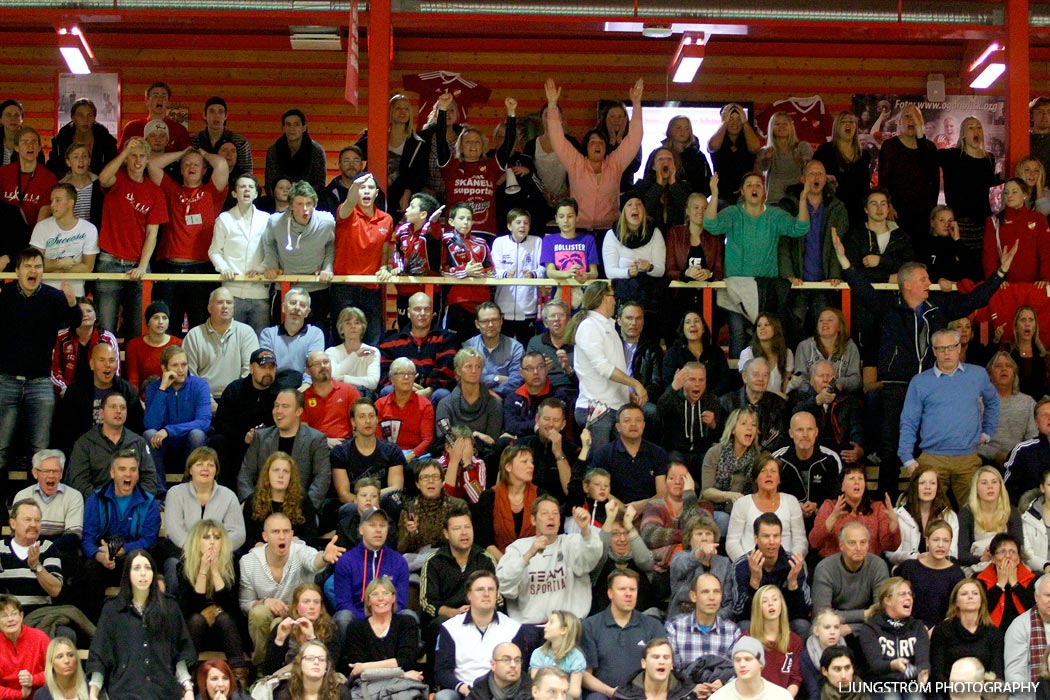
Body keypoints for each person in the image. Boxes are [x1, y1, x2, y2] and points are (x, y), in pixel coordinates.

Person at [705, 171, 812, 357]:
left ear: (764, 192)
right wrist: (714, 195)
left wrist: (803, 201)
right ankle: (739, 383)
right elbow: (711, 225)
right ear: (742, 192)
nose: (754, 188)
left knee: (767, 338)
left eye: (758, 185)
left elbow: (799, 228)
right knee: (737, 333)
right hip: (736, 288)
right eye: (749, 185)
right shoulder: (733, 212)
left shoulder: (775, 215)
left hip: (765, 289)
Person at [0, 249, 79, 480]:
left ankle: (38, 508)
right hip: (6, 381)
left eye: (38, 266)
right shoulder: (4, 296)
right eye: (28, 266)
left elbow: (74, 323)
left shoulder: (53, 297)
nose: (33, 271)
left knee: (39, 451)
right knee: (1, 448)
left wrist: (73, 303)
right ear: (17, 271)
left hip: (40, 383)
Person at [86, 551, 195, 700]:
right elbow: (100, 654)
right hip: (124, 691)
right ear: (128, 574)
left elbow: (181, 649)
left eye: (147, 568)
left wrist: (188, 687)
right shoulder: (112, 610)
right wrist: (93, 694)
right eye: (136, 568)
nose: (143, 573)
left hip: (164, 692)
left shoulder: (170, 607)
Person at [238, 512, 344, 666]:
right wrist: (265, 602)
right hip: (265, 613)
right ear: (265, 536)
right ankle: (262, 667)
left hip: (298, 613)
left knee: (278, 624)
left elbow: (313, 562)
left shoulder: (300, 550)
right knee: (259, 613)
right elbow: (245, 603)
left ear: (292, 534)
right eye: (276, 532)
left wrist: (324, 558)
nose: (282, 537)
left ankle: (290, 666)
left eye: (286, 531)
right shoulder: (249, 562)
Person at [543, 79, 645, 232]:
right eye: (593, 142)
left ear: (606, 148)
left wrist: (637, 106)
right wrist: (552, 106)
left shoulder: (615, 163)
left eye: (601, 143)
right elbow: (557, 139)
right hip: (579, 229)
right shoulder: (576, 163)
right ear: (586, 147)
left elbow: (635, 138)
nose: (597, 145)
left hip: (609, 230)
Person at [148, 147, 230, 333]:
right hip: (170, 269)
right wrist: (181, 152)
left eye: (196, 165)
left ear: (204, 170)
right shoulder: (171, 190)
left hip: (201, 270)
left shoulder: (212, 192)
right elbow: (152, 164)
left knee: (201, 329)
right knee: (168, 328)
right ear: (180, 169)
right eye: (186, 164)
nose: (191, 167)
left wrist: (203, 153)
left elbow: (222, 164)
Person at [95, 138, 166, 340]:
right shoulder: (118, 179)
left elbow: (153, 233)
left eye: (142, 156)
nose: (137, 161)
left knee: (138, 326)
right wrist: (125, 152)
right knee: (106, 327)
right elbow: (102, 179)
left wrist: (143, 266)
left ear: (147, 159)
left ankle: (133, 371)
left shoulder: (155, 191)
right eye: (133, 156)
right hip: (109, 259)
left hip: (138, 263)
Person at [79, 451, 161, 621]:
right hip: (102, 559)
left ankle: (140, 622)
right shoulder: (96, 499)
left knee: (139, 562)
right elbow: (87, 539)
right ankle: (91, 629)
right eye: (122, 469)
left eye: (133, 469)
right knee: (89, 568)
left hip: (132, 556)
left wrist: (121, 550)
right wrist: (99, 555)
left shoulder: (149, 502)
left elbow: (149, 539)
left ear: (138, 474)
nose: (128, 474)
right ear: (112, 472)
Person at [497, 497, 604, 623]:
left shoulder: (572, 542)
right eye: (544, 513)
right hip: (530, 629)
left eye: (555, 513)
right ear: (533, 520)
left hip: (569, 626)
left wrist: (585, 529)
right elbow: (504, 585)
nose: (551, 517)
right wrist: (529, 554)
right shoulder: (518, 547)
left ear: (560, 520)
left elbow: (593, 556)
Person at [568, 282, 647, 447]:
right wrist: (634, 383)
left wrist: (626, 394)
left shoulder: (608, 327)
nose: (615, 301)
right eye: (612, 297)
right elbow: (603, 367)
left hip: (613, 406)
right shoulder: (589, 326)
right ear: (604, 298)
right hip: (597, 408)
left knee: (615, 464)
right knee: (598, 466)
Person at [434, 571, 525, 700]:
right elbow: (442, 671)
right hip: (464, 691)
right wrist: (463, 688)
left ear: (497, 594)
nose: (486, 594)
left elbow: (520, 667)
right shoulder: (450, 628)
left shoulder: (513, 628)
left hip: (502, 691)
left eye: (491, 589)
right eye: (480, 589)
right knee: (443, 697)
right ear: (469, 595)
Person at [176, 520, 247, 681]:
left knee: (224, 618)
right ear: (197, 541)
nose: (212, 542)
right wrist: (203, 570)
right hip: (196, 633)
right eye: (206, 537)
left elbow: (232, 608)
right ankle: (187, 680)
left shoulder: (232, 564)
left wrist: (214, 571)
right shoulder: (183, 566)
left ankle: (240, 680)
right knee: (196, 619)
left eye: (217, 537)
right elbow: (187, 609)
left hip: (226, 633)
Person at [238, 388, 331, 510]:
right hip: (263, 506)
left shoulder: (316, 440)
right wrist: (250, 502)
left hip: (300, 508)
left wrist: (306, 507)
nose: (278, 411)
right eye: (276, 406)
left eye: (285, 406)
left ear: (298, 411)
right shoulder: (260, 437)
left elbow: (322, 478)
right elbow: (245, 475)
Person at [261, 181, 335, 334]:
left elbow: (331, 244)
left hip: (317, 287)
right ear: (291, 205)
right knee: (282, 334)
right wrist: (272, 265)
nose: (305, 209)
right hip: (286, 286)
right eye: (300, 203)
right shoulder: (275, 221)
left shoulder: (326, 222)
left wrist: (327, 267)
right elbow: (268, 243)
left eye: (309, 203)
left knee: (317, 335)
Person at [331, 173, 392, 346]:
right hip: (344, 286)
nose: (366, 191)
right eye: (361, 187)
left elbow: (384, 250)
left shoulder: (386, 220)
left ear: (376, 193)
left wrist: (384, 268)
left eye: (370, 187)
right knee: (340, 340)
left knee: (373, 338)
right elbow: (349, 202)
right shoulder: (346, 212)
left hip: (371, 288)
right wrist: (354, 187)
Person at [331, 506, 409, 640]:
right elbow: (344, 602)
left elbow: (400, 602)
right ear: (361, 529)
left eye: (382, 525)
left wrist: (383, 617)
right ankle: (346, 660)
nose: (378, 530)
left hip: (389, 617)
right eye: (372, 525)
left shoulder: (399, 561)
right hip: (357, 618)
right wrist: (368, 621)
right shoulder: (346, 561)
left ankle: (403, 660)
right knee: (343, 617)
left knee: (409, 616)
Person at [52, 343, 142, 456]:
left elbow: (136, 430)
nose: (107, 365)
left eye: (111, 360)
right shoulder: (76, 391)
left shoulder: (127, 392)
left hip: (119, 452)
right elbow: (64, 430)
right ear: (92, 364)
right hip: (84, 451)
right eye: (102, 360)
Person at [208, 348, 279, 491]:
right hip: (237, 443)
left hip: (269, 443)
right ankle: (224, 492)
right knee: (218, 441)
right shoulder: (235, 389)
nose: (268, 372)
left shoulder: (280, 392)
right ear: (252, 368)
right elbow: (222, 423)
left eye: (271, 368)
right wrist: (243, 437)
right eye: (263, 367)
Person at [143, 346, 212, 490]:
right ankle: (160, 493)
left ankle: (188, 488)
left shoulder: (200, 386)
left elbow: (204, 422)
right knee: (149, 435)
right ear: (164, 368)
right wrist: (162, 388)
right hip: (164, 447)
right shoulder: (154, 388)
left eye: (184, 365)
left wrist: (169, 430)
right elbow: (150, 424)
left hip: (190, 445)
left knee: (197, 435)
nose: (181, 370)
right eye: (175, 365)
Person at [209, 174, 271, 334]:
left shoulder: (266, 219)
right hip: (232, 291)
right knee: (232, 339)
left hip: (259, 291)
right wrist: (224, 268)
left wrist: (261, 267)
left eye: (251, 187)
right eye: (242, 187)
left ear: (257, 193)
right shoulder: (224, 219)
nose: (247, 190)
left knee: (259, 342)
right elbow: (214, 251)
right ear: (234, 193)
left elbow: (272, 252)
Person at [731, 513, 811, 635]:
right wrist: (754, 581)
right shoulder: (741, 565)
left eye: (776, 536)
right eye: (766, 536)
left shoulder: (795, 563)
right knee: (744, 626)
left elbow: (803, 612)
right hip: (755, 621)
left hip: (785, 621)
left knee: (802, 625)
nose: (772, 542)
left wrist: (792, 584)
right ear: (756, 538)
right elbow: (739, 612)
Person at [877, 105, 939, 257]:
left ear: (922, 122)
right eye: (907, 116)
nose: (911, 120)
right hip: (897, 213)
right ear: (899, 122)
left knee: (920, 257)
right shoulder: (890, 146)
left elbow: (934, 182)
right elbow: (883, 180)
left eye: (915, 117)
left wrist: (933, 213)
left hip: (923, 216)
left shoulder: (929, 148)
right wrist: (888, 205)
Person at [67, 393, 158, 498]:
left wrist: (132, 500)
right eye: (113, 407)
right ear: (101, 413)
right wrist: (103, 501)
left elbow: (150, 480)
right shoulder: (84, 444)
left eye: (122, 408)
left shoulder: (138, 442)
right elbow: (79, 483)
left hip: (133, 506)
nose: (118, 411)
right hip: (98, 506)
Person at [940, 117, 999, 277]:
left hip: (983, 222)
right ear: (963, 134)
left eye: (978, 127)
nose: (976, 130)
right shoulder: (952, 156)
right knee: (962, 265)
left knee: (982, 265)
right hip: (961, 221)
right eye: (971, 127)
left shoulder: (989, 159)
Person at [811, 522, 890, 638]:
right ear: (841, 546)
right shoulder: (825, 568)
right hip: (832, 627)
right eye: (852, 543)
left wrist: (852, 628)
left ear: (868, 544)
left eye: (863, 542)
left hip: (868, 628)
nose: (858, 548)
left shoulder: (878, 566)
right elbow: (821, 615)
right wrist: (864, 614)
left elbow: (881, 613)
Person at [663, 195, 725, 343]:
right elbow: (669, 270)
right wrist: (686, 273)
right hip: (679, 297)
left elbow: (719, 271)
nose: (701, 211)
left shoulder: (715, 236)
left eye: (705, 208)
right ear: (688, 211)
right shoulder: (675, 233)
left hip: (708, 298)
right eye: (696, 207)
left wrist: (708, 273)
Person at [183, 288, 261, 406]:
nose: (225, 306)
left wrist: (235, 398)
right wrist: (207, 401)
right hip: (202, 399)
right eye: (220, 302)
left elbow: (250, 370)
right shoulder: (194, 335)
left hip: (238, 398)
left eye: (229, 303)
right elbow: (190, 374)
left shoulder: (246, 332)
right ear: (209, 308)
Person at [379, 292, 457, 405]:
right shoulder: (390, 343)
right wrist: (406, 385)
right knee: (387, 391)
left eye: (427, 309)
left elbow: (447, 370)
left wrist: (429, 389)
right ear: (409, 313)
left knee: (442, 394)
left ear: (433, 313)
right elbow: (385, 374)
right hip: (400, 390)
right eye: (417, 309)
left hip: (433, 392)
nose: (422, 313)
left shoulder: (446, 339)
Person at [725, 454, 808, 562]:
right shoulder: (742, 504)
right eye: (763, 471)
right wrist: (746, 564)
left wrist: (792, 561)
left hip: (786, 565)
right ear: (755, 478)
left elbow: (800, 541)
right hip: (750, 564)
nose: (768, 475)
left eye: (773, 471)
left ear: (779, 479)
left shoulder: (791, 502)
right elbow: (732, 542)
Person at [855, 577, 930, 695]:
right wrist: (893, 665)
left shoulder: (918, 627)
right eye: (902, 594)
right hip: (880, 683)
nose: (909, 598)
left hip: (909, 682)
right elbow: (875, 664)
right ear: (887, 600)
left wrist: (922, 673)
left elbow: (923, 661)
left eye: (910, 594)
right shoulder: (871, 628)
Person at [339, 577, 423, 682]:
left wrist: (366, 667)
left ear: (393, 598)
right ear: (368, 601)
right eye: (374, 594)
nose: (380, 598)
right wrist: (402, 674)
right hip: (368, 687)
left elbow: (406, 661)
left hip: (402, 686)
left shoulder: (407, 623)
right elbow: (357, 670)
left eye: (385, 593)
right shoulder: (356, 628)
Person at [164, 448, 246, 554]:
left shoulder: (229, 496)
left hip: (219, 554)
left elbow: (238, 533)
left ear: (216, 470)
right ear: (190, 470)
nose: (205, 468)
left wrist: (215, 548)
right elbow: (174, 529)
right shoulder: (175, 493)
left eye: (211, 465)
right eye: (199, 464)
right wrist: (194, 548)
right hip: (183, 552)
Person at [809, 464, 901, 558]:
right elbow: (814, 542)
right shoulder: (829, 506)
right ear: (842, 487)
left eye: (860, 478)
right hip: (835, 567)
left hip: (868, 565)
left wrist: (893, 525)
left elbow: (890, 546)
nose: (857, 482)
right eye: (851, 478)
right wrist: (833, 518)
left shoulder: (877, 508)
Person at [588, 405, 668, 509]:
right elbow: (598, 489)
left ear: (643, 425)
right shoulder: (603, 454)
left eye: (638, 420)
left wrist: (642, 507)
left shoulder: (658, 453)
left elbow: (662, 492)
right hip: (613, 511)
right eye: (627, 420)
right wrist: (624, 510)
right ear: (618, 427)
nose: (633, 424)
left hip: (650, 512)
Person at [603, 198, 666, 325]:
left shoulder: (655, 233)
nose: (635, 208)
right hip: (624, 294)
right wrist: (628, 272)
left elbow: (661, 270)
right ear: (623, 211)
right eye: (629, 205)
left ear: (644, 209)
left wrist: (649, 267)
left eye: (639, 204)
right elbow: (610, 272)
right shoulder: (611, 235)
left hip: (650, 294)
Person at [13, 451, 84, 564]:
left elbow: (73, 536)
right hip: (28, 546)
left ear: (61, 474)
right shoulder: (22, 495)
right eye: (46, 471)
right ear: (35, 473)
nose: (51, 476)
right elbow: (19, 533)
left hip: (61, 549)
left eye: (55, 471)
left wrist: (45, 551)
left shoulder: (74, 496)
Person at [30, 184, 98, 303]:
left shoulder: (89, 229)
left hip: (74, 294)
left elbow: (88, 266)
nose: (52, 205)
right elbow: (34, 264)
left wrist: (55, 269)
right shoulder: (42, 227)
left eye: (58, 200)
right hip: (43, 292)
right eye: (51, 201)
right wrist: (59, 264)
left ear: (71, 202)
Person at [929, 578, 1005, 684]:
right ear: (955, 602)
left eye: (975, 593)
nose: (970, 597)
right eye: (964, 594)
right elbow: (937, 674)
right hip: (949, 691)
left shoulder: (994, 633)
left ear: (982, 600)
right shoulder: (942, 630)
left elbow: (996, 674)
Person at [772, 408, 845, 518]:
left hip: (823, 519)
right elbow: (769, 495)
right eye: (800, 430)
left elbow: (837, 496)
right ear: (791, 433)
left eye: (809, 429)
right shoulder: (777, 459)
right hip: (786, 520)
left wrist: (817, 506)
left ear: (816, 432)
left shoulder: (830, 460)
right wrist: (794, 507)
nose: (805, 434)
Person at [664, 572, 742, 675]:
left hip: (722, 689)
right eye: (705, 592)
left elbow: (734, 670)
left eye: (716, 592)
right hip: (686, 690)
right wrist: (692, 687)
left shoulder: (732, 632)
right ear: (693, 596)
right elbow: (672, 669)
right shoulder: (674, 627)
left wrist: (721, 682)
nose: (712, 597)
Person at [435, 348, 504, 459]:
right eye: (468, 366)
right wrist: (475, 436)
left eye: (478, 367)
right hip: (452, 457)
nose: (474, 371)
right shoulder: (445, 404)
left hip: (485, 458)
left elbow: (491, 441)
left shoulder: (494, 404)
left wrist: (463, 440)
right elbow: (443, 437)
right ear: (458, 371)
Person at [701, 407, 761, 534]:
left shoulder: (757, 458)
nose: (749, 428)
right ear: (733, 429)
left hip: (742, 512)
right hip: (713, 510)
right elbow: (706, 492)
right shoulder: (715, 453)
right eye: (744, 424)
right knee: (724, 519)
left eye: (753, 425)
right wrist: (728, 495)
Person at [896, 519, 965, 628]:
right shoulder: (910, 568)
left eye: (946, 540)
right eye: (936, 540)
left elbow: (956, 611)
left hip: (943, 633)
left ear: (951, 542)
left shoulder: (957, 574)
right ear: (927, 541)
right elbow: (897, 602)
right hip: (909, 630)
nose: (941, 545)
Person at [474, 445, 539, 561]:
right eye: (524, 462)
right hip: (499, 564)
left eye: (532, 462)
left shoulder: (540, 496)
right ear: (508, 467)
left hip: (535, 565)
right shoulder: (489, 497)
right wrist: (508, 565)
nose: (531, 466)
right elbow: (485, 541)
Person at [261, 583, 340, 677]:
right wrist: (279, 640)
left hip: (320, 679)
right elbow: (268, 671)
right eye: (306, 602)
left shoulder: (330, 629)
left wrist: (312, 639)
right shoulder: (283, 627)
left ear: (321, 608)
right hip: (287, 678)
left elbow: (330, 666)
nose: (312, 606)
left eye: (316, 602)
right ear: (296, 607)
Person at [242, 452, 317, 550]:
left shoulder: (302, 500)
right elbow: (247, 536)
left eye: (286, 471)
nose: (280, 475)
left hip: (294, 552)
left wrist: (297, 540)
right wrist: (258, 545)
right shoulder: (253, 500)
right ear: (267, 473)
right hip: (262, 554)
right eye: (276, 470)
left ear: (291, 476)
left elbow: (312, 535)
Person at [886, 468, 959, 567]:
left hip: (939, 568)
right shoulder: (898, 514)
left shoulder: (949, 516)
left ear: (937, 488)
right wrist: (917, 557)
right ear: (914, 486)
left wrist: (934, 558)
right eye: (922, 483)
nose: (927, 487)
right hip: (907, 569)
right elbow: (890, 554)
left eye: (932, 483)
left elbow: (952, 554)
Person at [984, 178, 1050, 288]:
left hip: (1034, 286)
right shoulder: (993, 222)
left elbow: (1046, 251)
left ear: (1025, 194)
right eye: (1006, 192)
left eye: (1014, 192)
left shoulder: (1038, 218)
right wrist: (994, 280)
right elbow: (989, 256)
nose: (1009, 195)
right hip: (1005, 286)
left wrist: (1047, 278)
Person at [956, 466, 1023, 573]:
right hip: (976, 567)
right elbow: (961, 555)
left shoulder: (1011, 512)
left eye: (994, 482)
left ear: (1001, 486)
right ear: (976, 488)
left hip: (1007, 564)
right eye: (984, 483)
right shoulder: (966, 513)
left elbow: (1019, 547)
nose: (990, 487)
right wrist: (981, 558)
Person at [492, 209, 544, 344]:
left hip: (528, 307)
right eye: (518, 222)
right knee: (503, 347)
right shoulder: (499, 242)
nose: (522, 226)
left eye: (526, 223)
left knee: (525, 347)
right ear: (509, 226)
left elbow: (543, 269)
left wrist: (533, 274)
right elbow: (492, 268)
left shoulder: (537, 242)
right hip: (503, 306)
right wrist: (504, 274)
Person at [396, 459, 467, 557]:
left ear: (442, 481)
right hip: (418, 564)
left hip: (450, 559)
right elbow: (401, 549)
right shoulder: (409, 509)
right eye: (425, 477)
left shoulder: (457, 506)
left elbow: (464, 540)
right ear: (417, 484)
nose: (430, 481)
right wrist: (411, 534)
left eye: (435, 477)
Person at [667, 514, 733, 620]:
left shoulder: (724, 563)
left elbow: (728, 603)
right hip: (683, 619)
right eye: (699, 534)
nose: (704, 538)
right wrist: (700, 552)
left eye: (708, 534)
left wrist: (713, 620)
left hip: (716, 620)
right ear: (689, 539)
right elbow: (684, 564)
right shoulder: (680, 557)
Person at [981, 351, 1038, 469]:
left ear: (1014, 374)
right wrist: (994, 454)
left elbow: (1033, 439)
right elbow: (970, 441)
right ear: (990, 375)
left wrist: (1016, 456)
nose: (1003, 369)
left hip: (1020, 461)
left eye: (1008, 366)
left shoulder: (1028, 403)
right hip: (985, 460)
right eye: (998, 366)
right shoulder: (978, 403)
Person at [260, 289, 326, 389]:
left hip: (304, 387)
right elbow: (266, 368)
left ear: (307, 312)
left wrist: (299, 393)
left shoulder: (315, 334)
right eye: (293, 303)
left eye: (302, 305)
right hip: (274, 388)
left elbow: (314, 367)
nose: (297, 308)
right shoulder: (268, 334)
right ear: (284, 307)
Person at [813, 111, 871, 225]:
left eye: (851, 122)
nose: (848, 124)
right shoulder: (824, 151)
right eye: (843, 122)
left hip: (858, 212)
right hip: (832, 210)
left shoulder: (864, 155)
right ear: (836, 127)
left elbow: (865, 187)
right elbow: (811, 176)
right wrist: (824, 178)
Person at [720, 359, 788, 453]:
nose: (761, 379)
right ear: (745, 377)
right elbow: (723, 437)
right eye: (756, 375)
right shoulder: (727, 402)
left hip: (767, 458)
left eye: (765, 375)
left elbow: (780, 437)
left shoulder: (779, 404)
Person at [793, 308, 861, 397]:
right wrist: (815, 394)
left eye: (830, 320)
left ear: (840, 326)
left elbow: (856, 380)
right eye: (821, 320)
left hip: (840, 398)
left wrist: (837, 384)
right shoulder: (804, 346)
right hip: (810, 398)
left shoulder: (850, 347)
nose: (824, 323)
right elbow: (799, 377)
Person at [463, 302, 525, 401]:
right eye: (485, 321)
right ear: (477, 324)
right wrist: (495, 378)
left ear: (501, 321)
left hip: (506, 399)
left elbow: (516, 380)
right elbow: (465, 379)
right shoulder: (468, 347)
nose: (491, 325)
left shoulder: (515, 347)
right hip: (474, 398)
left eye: (494, 320)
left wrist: (494, 394)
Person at [747, 585, 802, 696]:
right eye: (764, 601)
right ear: (758, 608)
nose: (770, 604)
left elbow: (795, 679)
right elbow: (743, 677)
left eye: (775, 599)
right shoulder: (748, 640)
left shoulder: (794, 641)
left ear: (781, 604)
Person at [976, 533, 1035, 631]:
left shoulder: (1032, 580)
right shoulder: (980, 580)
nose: (1008, 556)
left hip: (1025, 632)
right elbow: (980, 611)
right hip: (990, 633)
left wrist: (1015, 584)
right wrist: (1000, 585)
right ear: (993, 558)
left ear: (1018, 559)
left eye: (1012, 552)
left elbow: (1034, 609)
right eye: (1002, 552)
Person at [123, 302, 182, 398]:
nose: (161, 322)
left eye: (164, 318)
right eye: (156, 318)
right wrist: (137, 403)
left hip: (172, 396)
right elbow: (133, 380)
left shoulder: (178, 344)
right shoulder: (134, 345)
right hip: (145, 397)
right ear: (148, 322)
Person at [47, 98, 118, 178]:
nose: (85, 120)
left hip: (99, 186)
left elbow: (114, 169)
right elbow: (52, 168)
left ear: (94, 118)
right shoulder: (60, 140)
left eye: (89, 115)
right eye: (80, 115)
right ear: (73, 118)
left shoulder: (107, 141)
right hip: (67, 186)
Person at [301, 351, 360, 445]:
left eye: (326, 362)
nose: (323, 366)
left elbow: (359, 424)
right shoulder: (302, 398)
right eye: (317, 364)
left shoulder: (349, 391)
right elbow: (303, 432)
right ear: (307, 370)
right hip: (316, 446)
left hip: (346, 445)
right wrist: (325, 441)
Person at [707, 103, 761, 207]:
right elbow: (712, 147)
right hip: (722, 196)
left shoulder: (748, 137)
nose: (734, 123)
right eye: (730, 119)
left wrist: (745, 121)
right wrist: (725, 122)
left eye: (738, 119)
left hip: (745, 195)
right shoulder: (719, 137)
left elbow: (755, 148)